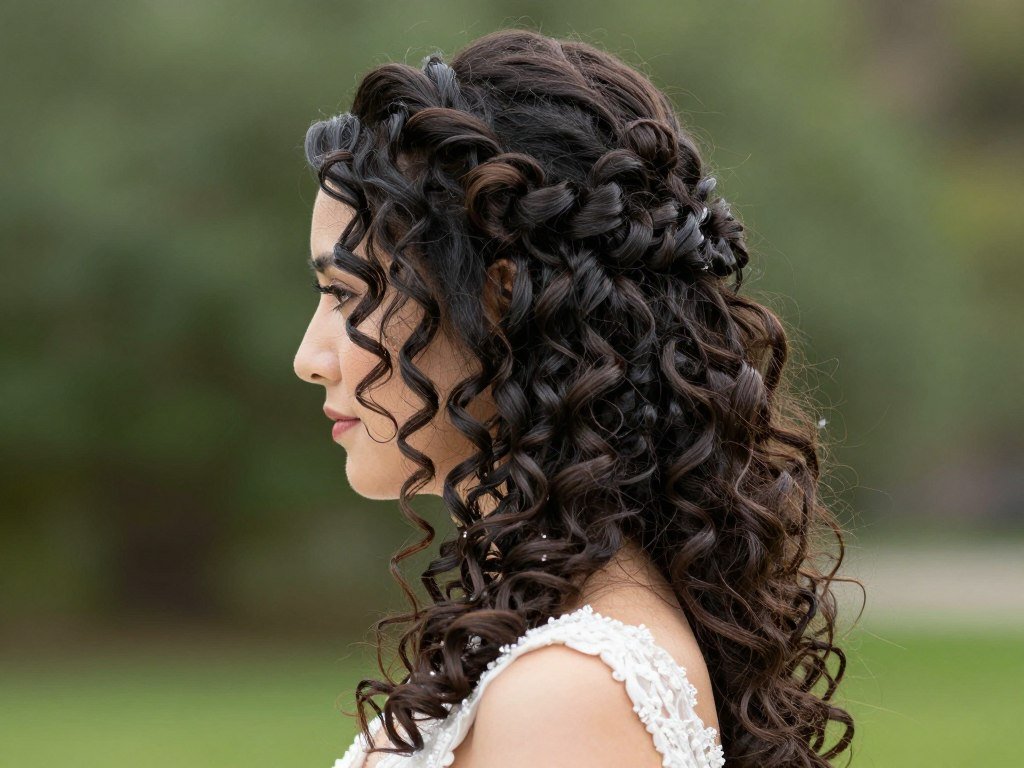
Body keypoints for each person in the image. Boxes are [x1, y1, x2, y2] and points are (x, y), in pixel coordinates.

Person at [293, 28, 858, 768]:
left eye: (346, 294)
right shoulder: (545, 635)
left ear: (499, 301)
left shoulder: (567, 695)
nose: (310, 358)